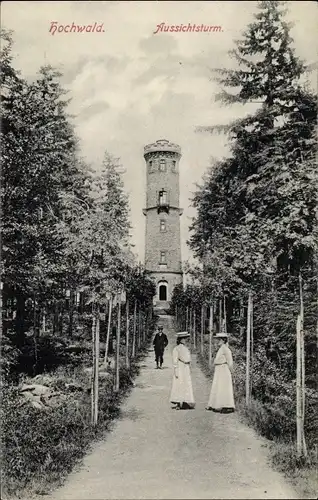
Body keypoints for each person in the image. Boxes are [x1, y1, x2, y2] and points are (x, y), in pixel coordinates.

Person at [206, 332, 235, 413]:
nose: (217, 341)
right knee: (217, 387)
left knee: (224, 387)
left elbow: (230, 362)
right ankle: (215, 404)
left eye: (219, 339)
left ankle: (227, 406)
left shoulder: (226, 349)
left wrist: (232, 372)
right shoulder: (221, 349)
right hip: (219, 370)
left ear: (223, 340)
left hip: (224, 370)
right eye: (217, 339)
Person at [170, 332, 195, 410]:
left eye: (185, 339)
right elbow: (175, 360)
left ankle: (185, 401)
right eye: (183, 339)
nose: (185, 340)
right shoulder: (176, 349)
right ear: (179, 340)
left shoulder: (186, 348)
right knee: (179, 384)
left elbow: (188, 359)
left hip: (185, 367)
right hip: (180, 367)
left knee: (186, 383)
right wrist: (176, 370)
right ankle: (178, 401)